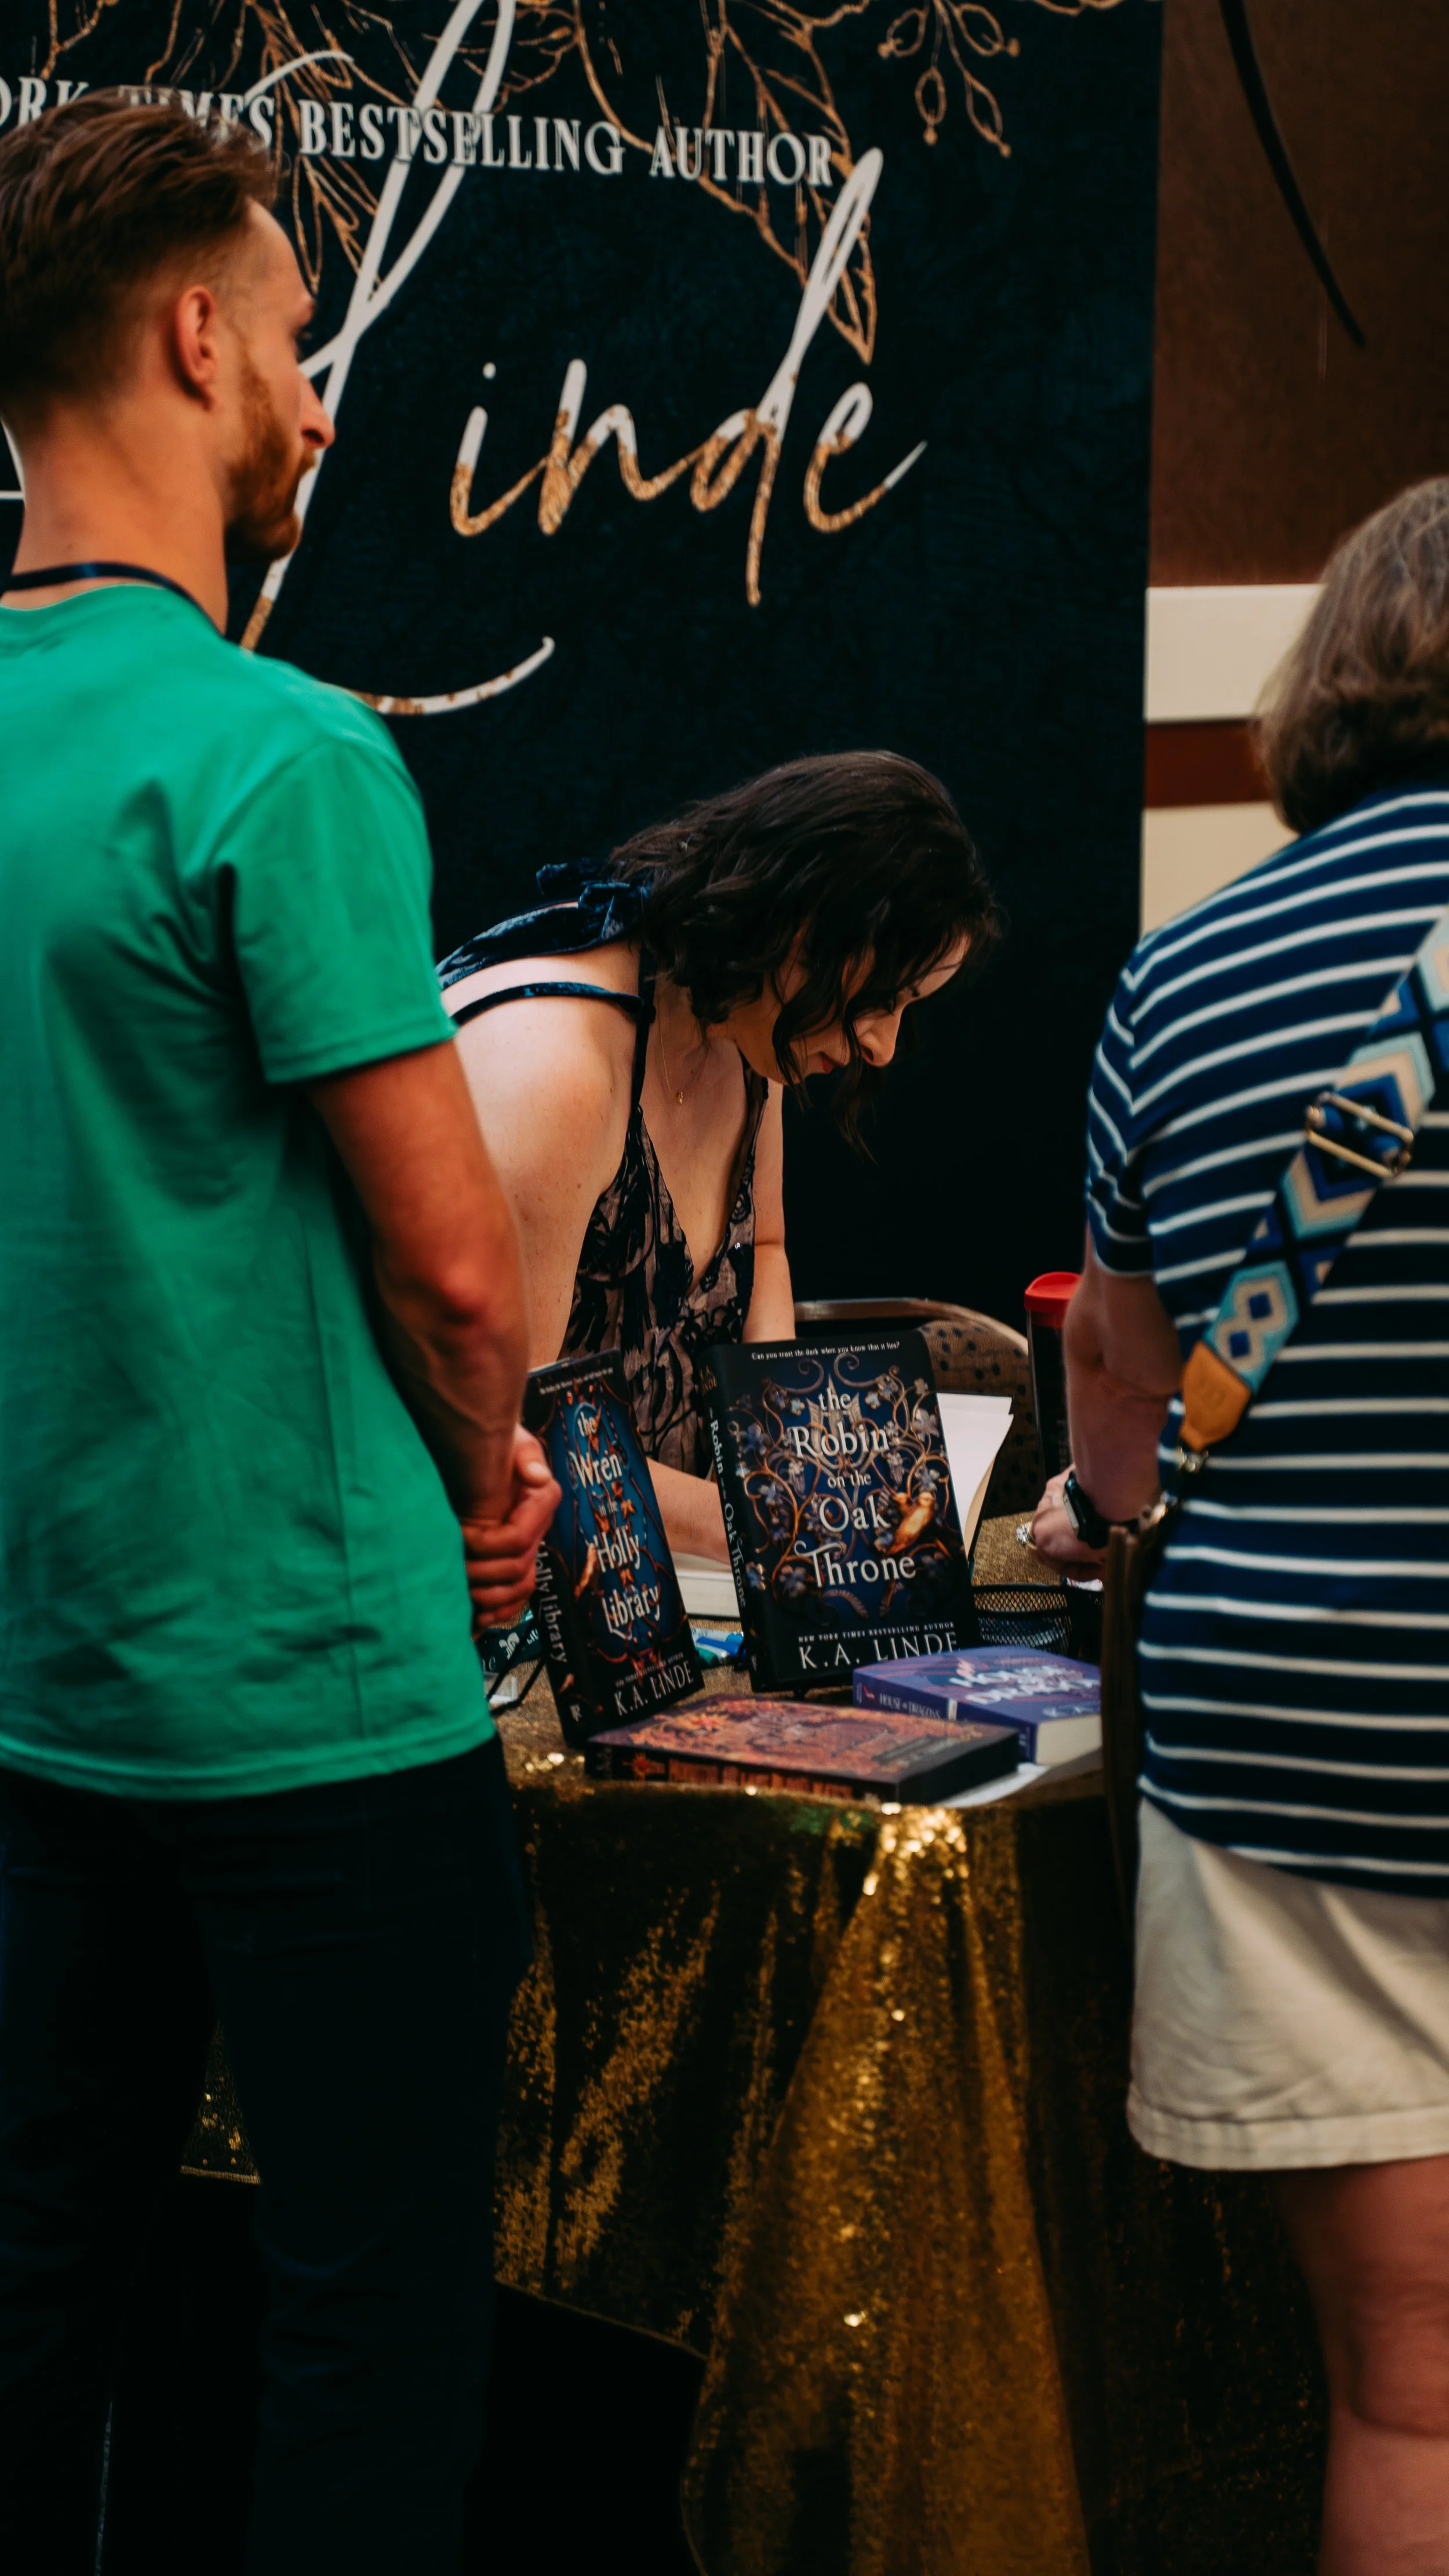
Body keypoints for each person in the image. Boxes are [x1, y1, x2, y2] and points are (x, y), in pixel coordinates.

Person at [0, 94, 558, 2573]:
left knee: (30, 2314)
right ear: (196, 332)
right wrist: (497, 1489)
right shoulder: (280, 747)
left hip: (31, 1696)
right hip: (316, 1705)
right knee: (365, 2336)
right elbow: (453, 1267)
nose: (322, 404)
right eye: (303, 343)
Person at [1035, 478, 1449, 2575]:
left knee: (1411, 2393)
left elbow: (1121, 1394)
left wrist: (1106, 1511)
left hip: (1299, 1756)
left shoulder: (1184, 973)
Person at [440, 754, 1001, 1560]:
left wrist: (781, 1453)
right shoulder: (553, 1071)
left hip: (671, 1566)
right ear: (804, 934)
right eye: (883, 1000)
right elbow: (509, 1430)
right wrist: (774, 1523)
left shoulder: (740, 1028)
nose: (883, 1046)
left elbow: (764, 1250)